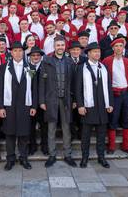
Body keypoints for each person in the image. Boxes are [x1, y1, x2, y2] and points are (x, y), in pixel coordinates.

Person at [0, 41, 37, 170]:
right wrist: (1, 107)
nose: (18, 53)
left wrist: (34, 106)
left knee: (24, 134)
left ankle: (23, 158)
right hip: (9, 106)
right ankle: (10, 159)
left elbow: (34, 88)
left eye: (20, 50)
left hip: (25, 105)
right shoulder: (4, 67)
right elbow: (0, 88)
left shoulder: (30, 67)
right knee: (9, 134)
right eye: (15, 51)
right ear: (11, 52)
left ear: (23, 52)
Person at [39, 36, 77, 168]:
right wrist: (42, 101)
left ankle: (68, 154)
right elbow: (41, 83)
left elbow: (74, 83)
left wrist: (75, 100)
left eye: (62, 45)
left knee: (66, 128)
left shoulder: (70, 62)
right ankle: (52, 155)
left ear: (65, 46)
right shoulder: (47, 61)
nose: (60, 47)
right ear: (54, 46)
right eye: (58, 45)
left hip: (66, 99)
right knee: (51, 128)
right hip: (51, 99)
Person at [75, 42, 114, 168]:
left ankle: (101, 157)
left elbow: (108, 87)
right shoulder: (81, 68)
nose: (97, 54)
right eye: (94, 51)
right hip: (88, 106)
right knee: (85, 135)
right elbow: (77, 89)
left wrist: (110, 103)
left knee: (101, 135)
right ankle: (84, 157)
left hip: (102, 106)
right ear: (89, 53)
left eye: (99, 52)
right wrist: (80, 105)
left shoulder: (103, 67)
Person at [103, 38, 128, 155]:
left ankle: (126, 146)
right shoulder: (106, 61)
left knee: (127, 120)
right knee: (113, 120)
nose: (119, 48)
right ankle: (111, 146)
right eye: (116, 46)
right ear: (113, 48)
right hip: (114, 94)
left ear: (123, 48)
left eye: (121, 46)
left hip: (127, 95)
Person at [27, 46, 48, 155]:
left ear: (41, 56)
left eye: (38, 55)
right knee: (31, 126)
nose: (35, 57)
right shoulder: (28, 68)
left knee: (45, 126)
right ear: (30, 56)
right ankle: (32, 146)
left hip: (44, 102)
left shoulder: (46, 67)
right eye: (33, 55)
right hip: (31, 102)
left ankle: (45, 146)